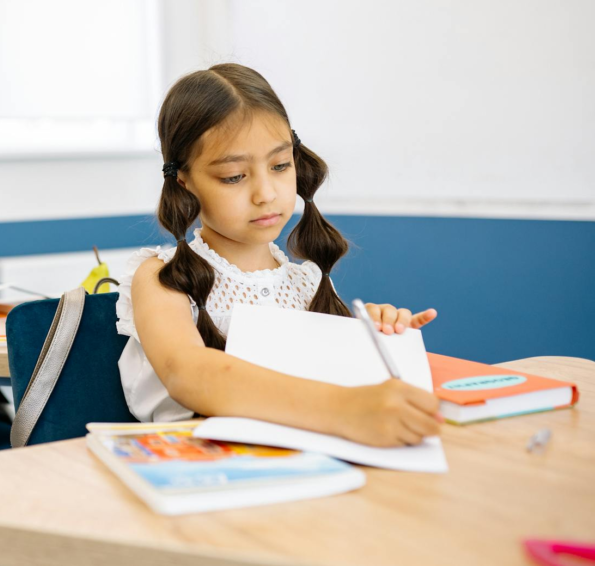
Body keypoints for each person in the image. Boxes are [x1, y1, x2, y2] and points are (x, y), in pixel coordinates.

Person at [117, 63, 442, 447]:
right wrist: (346, 409)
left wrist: (372, 334)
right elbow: (190, 374)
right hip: (202, 471)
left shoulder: (306, 283)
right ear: (185, 183)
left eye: (280, 165)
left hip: (304, 460)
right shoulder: (162, 278)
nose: (266, 193)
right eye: (234, 176)